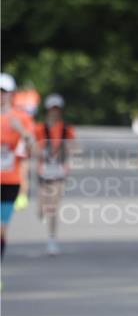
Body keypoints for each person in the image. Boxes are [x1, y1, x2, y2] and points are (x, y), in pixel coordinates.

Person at [34, 94, 75, 255]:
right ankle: (42, 212)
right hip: (43, 170)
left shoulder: (66, 129)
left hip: (58, 171)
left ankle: (52, 239)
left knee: (53, 207)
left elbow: (73, 146)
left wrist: (66, 152)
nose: (54, 112)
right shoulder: (39, 128)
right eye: (52, 109)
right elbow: (32, 147)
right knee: (42, 209)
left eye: (57, 109)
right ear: (47, 110)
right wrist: (41, 152)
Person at [1, 73, 34, 259]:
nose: (0, 96)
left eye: (3, 92)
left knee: (1, 229)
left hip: (9, 182)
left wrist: (20, 130)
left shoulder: (21, 118)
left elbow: (33, 148)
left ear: (11, 94)